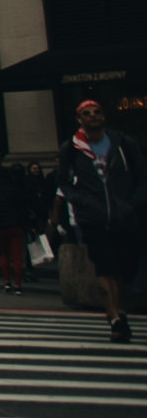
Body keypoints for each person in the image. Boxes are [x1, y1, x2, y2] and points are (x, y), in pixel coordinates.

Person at [53, 98, 143, 343]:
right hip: (93, 217)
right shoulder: (71, 148)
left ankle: (119, 308)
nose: (92, 116)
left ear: (103, 116)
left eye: (96, 112)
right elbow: (62, 183)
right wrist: (80, 201)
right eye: (87, 113)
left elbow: (141, 176)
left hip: (124, 216)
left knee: (126, 270)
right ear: (79, 119)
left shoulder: (124, 143)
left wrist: (132, 204)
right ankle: (115, 317)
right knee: (106, 267)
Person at [0, 147, 33, 294]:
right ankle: (18, 284)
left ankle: (7, 282)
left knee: (4, 254)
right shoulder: (16, 191)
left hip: (0, 227)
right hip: (16, 225)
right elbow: (23, 209)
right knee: (17, 256)